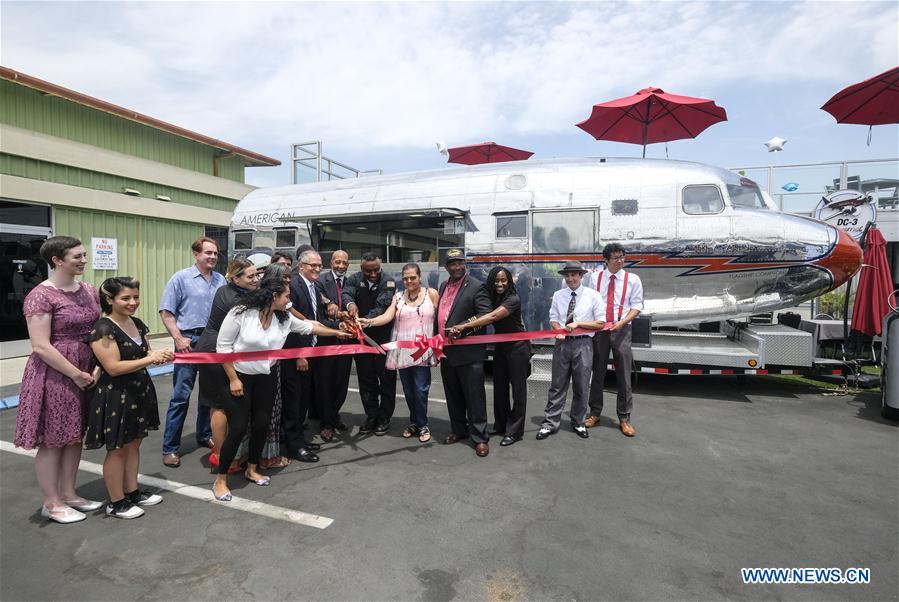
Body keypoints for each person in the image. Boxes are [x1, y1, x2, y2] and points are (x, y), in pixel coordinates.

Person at [213, 279, 351, 501]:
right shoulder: (240, 313)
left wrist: (337, 332)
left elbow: (310, 326)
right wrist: (233, 379)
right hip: (238, 378)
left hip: (266, 378)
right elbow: (223, 347)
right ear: (273, 296)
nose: (289, 300)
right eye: (286, 296)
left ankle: (252, 469)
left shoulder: (284, 318)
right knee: (238, 428)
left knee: (261, 424)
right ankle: (220, 480)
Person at [14, 236, 103, 524]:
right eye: (77, 256)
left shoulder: (89, 290)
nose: (83, 260)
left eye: (84, 255)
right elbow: (40, 345)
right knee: (53, 439)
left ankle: (70, 493)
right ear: (57, 260)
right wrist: (76, 373)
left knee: (74, 435)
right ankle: (51, 502)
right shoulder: (41, 295)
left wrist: (97, 366)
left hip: (87, 370)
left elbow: (98, 331)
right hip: (56, 373)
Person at [84, 278, 172, 519]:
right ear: (109, 300)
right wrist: (151, 360)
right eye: (125, 298)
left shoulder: (136, 323)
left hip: (139, 390)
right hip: (116, 394)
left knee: (134, 444)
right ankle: (116, 501)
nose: (133, 302)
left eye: (135, 297)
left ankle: (131, 492)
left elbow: (146, 351)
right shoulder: (103, 328)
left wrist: (159, 355)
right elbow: (113, 367)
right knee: (118, 449)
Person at [158, 237, 225, 467]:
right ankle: (170, 448)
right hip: (188, 341)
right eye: (208, 253)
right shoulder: (181, 278)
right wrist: (178, 338)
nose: (213, 257)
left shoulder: (220, 280)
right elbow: (166, 311)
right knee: (181, 396)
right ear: (196, 254)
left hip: (212, 341)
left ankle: (204, 434)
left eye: (215, 253)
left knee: (209, 394)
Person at [449, 266, 530, 446]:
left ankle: (515, 431)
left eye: (503, 280)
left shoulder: (513, 298)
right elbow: (480, 312)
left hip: (518, 348)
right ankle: (501, 425)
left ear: (509, 281)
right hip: (500, 347)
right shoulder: (492, 297)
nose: (500, 284)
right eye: (496, 280)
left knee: (518, 390)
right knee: (499, 388)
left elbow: (492, 316)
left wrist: (464, 326)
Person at [361, 263, 439, 443]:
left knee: (420, 389)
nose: (409, 281)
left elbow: (440, 319)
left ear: (420, 277)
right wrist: (369, 322)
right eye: (405, 278)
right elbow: (387, 317)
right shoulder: (398, 296)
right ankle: (415, 422)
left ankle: (423, 424)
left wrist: (439, 343)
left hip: (422, 351)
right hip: (402, 351)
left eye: (413, 277)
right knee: (409, 391)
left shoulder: (431, 294)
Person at [196, 258, 258, 474]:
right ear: (235, 278)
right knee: (219, 405)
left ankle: (228, 453)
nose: (255, 279)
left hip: (228, 352)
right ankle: (221, 456)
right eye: (250, 276)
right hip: (214, 353)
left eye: (256, 275)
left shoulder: (242, 292)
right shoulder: (228, 295)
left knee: (228, 404)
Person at [536, 261, 605, 441]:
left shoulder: (593, 296)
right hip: (562, 345)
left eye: (574, 275)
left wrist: (579, 324)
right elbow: (553, 318)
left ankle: (578, 422)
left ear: (581, 276)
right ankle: (550, 423)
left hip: (583, 345)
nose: (570, 279)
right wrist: (558, 330)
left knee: (582, 385)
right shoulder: (559, 295)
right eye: (567, 275)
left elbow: (600, 323)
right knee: (557, 385)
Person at [434, 248, 492, 457]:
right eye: (452, 263)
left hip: (469, 353)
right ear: (446, 266)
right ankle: (459, 430)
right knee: (453, 396)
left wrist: (464, 327)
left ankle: (480, 438)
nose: (457, 267)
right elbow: (440, 316)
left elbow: (485, 315)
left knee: (474, 398)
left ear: (464, 264)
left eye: (460, 262)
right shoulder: (443, 286)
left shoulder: (477, 286)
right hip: (447, 352)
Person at [585, 243, 644, 437]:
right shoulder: (595, 278)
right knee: (598, 373)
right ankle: (594, 413)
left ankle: (624, 418)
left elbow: (636, 307)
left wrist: (621, 323)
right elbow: (591, 302)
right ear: (606, 260)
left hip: (621, 331)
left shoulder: (632, 279)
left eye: (622, 257)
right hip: (600, 331)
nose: (620, 261)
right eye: (616, 257)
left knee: (624, 376)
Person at [342, 252, 397, 436]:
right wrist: (350, 306)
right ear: (361, 268)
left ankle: (384, 417)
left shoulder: (388, 281)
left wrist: (365, 320)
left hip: (383, 340)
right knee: (366, 381)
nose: (373, 274)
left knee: (387, 380)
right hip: (361, 341)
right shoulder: (353, 279)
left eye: (376, 270)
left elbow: (382, 306)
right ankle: (371, 415)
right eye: (368, 271)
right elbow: (346, 294)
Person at [282, 248, 330, 455]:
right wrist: (300, 353)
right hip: (295, 353)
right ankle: (293, 445)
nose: (318, 269)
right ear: (301, 266)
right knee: (294, 400)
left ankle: (299, 438)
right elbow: (290, 323)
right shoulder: (293, 285)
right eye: (313, 265)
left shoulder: (313, 285)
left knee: (303, 399)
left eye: (320, 265)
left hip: (311, 351)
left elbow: (314, 317)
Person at [317, 250, 353, 432]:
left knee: (341, 381)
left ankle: (334, 415)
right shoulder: (320, 282)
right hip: (327, 341)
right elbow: (318, 314)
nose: (340, 266)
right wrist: (336, 325)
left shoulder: (351, 282)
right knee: (326, 382)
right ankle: (326, 422)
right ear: (331, 262)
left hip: (347, 342)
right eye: (337, 262)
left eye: (344, 263)